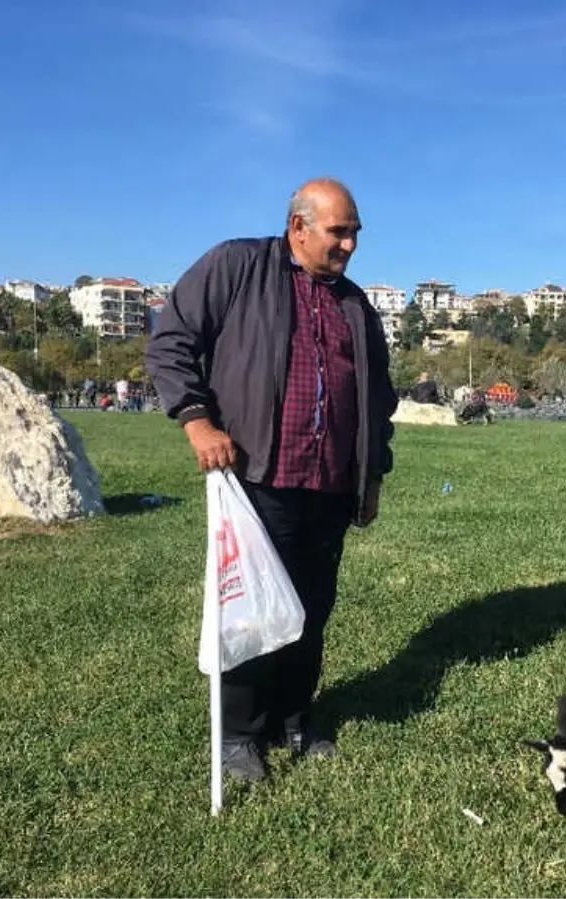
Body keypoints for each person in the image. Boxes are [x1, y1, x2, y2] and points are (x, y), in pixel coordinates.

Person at [145, 178, 398, 783]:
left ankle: (294, 717)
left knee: (311, 611)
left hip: (331, 486)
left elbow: (378, 402)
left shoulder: (356, 307)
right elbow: (170, 342)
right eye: (339, 232)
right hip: (256, 478)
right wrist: (198, 423)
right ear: (298, 227)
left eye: (355, 233)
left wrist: (371, 479)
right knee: (251, 611)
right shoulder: (237, 267)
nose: (349, 246)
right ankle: (239, 733)